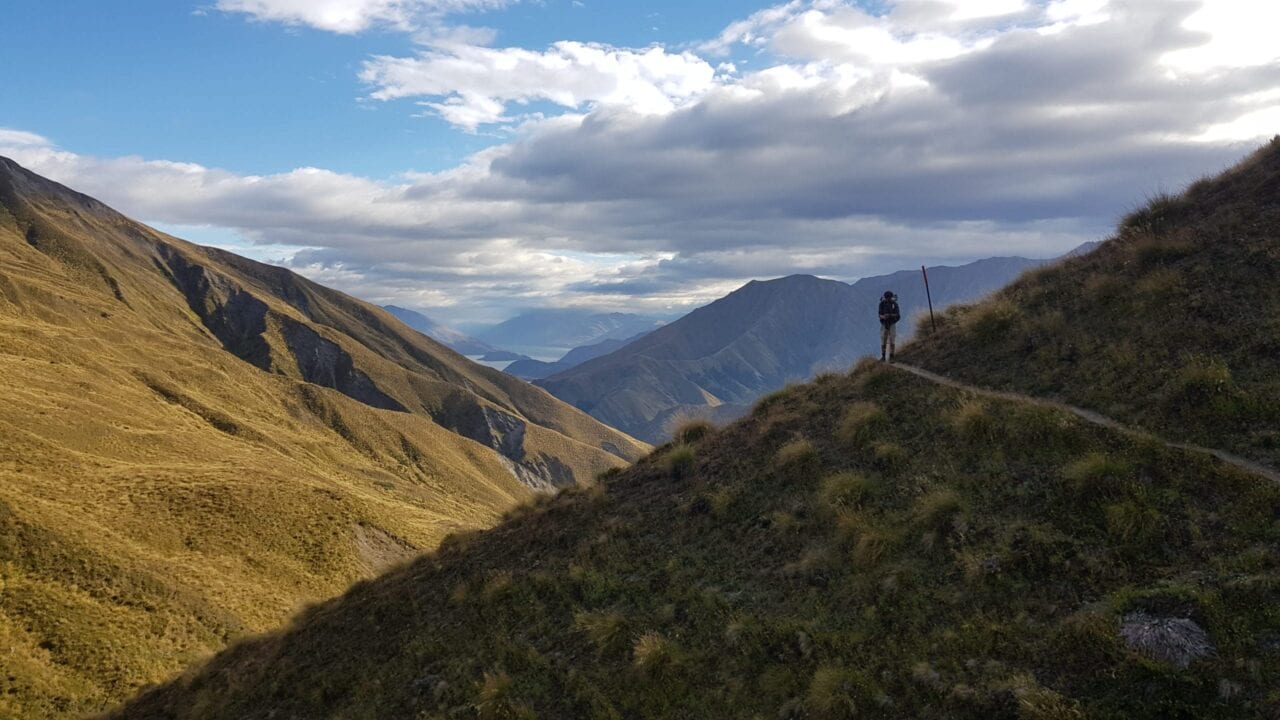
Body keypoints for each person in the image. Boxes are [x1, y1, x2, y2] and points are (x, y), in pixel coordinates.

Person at [878, 291, 900, 362]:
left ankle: (890, 356)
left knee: (890, 340)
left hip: (889, 324)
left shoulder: (894, 304)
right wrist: (884, 317)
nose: (888, 299)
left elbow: (897, 314)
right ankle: (885, 356)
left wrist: (888, 316)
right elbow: (879, 314)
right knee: (886, 340)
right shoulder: (882, 304)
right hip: (886, 323)